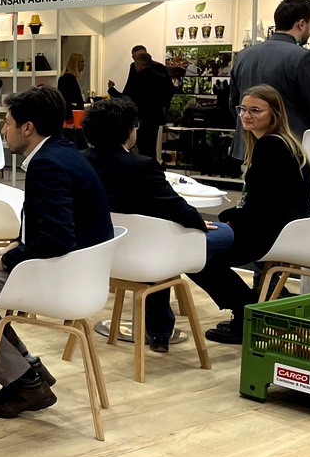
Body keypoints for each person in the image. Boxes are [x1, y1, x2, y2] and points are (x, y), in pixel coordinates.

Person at [0, 86, 113, 416]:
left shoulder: (48, 165)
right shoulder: (62, 153)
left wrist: (9, 258)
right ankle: (27, 366)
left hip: (57, 274)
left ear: (27, 128)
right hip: (65, 267)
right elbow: (54, 227)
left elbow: (58, 239)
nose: (3, 130)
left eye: (8, 123)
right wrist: (15, 246)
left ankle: (24, 383)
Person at [81, 97, 233, 352]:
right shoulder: (141, 166)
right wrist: (198, 223)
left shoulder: (79, 161)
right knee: (224, 233)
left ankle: (161, 330)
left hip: (100, 252)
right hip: (146, 255)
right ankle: (161, 330)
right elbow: (173, 205)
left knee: (165, 243)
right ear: (129, 130)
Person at [189, 85, 310, 343]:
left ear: (274, 114)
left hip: (274, 232)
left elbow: (264, 205)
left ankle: (245, 312)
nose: (246, 115)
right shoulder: (283, 144)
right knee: (205, 243)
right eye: (242, 109)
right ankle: (247, 309)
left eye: (255, 110)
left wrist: (231, 219)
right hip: (286, 229)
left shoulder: (271, 146)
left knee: (193, 254)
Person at [229, 0, 310, 161]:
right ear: (301, 24)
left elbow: (234, 104)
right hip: (289, 151)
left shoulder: (244, 55)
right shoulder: (303, 58)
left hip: (248, 148)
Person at [108, 51, 172, 158]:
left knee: (141, 147)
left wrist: (111, 90)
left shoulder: (137, 79)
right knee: (151, 147)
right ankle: (151, 165)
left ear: (139, 65)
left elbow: (126, 98)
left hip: (140, 118)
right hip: (155, 118)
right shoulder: (161, 78)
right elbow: (168, 95)